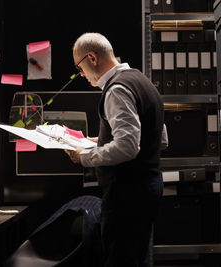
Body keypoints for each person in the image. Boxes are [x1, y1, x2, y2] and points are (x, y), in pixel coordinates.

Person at [66, 32, 167, 267]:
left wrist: (85, 157)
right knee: (136, 258)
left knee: (120, 260)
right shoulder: (142, 81)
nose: (81, 75)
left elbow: (128, 146)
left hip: (127, 194)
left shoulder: (116, 90)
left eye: (79, 68)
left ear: (92, 58)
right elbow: (160, 138)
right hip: (148, 187)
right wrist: (97, 140)